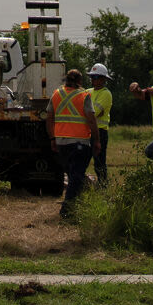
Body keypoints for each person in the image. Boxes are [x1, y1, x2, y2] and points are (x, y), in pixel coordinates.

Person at [45, 67, 95, 217]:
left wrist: (52, 138)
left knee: (73, 175)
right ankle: (66, 210)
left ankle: (74, 206)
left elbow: (49, 118)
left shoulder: (56, 94)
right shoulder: (84, 95)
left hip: (61, 142)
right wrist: (97, 139)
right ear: (80, 81)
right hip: (80, 141)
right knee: (76, 176)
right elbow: (91, 120)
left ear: (66, 80)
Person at [86, 61, 114, 188]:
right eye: (92, 77)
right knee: (84, 159)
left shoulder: (106, 94)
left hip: (100, 131)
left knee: (99, 161)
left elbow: (95, 112)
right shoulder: (88, 91)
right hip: (87, 131)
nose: (94, 80)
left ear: (103, 79)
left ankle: (103, 185)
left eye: (96, 77)